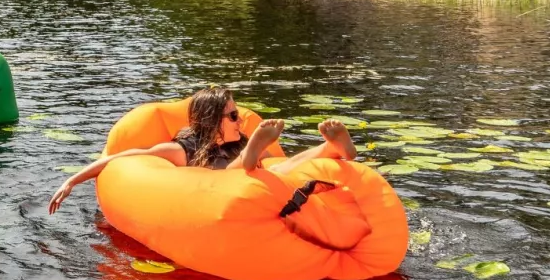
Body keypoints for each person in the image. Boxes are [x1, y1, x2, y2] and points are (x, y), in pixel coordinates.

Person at [47, 85, 359, 213]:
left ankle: (331, 149)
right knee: (242, 169)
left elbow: (283, 165)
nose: (239, 120)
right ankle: (252, 160)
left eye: (239, 115)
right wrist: (71, 180)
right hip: (214, 193)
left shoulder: (238, 140)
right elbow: (121, 158)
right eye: (233, 116)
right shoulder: (182, 148)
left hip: (254, 181)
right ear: (212, 121)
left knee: (280, 165)